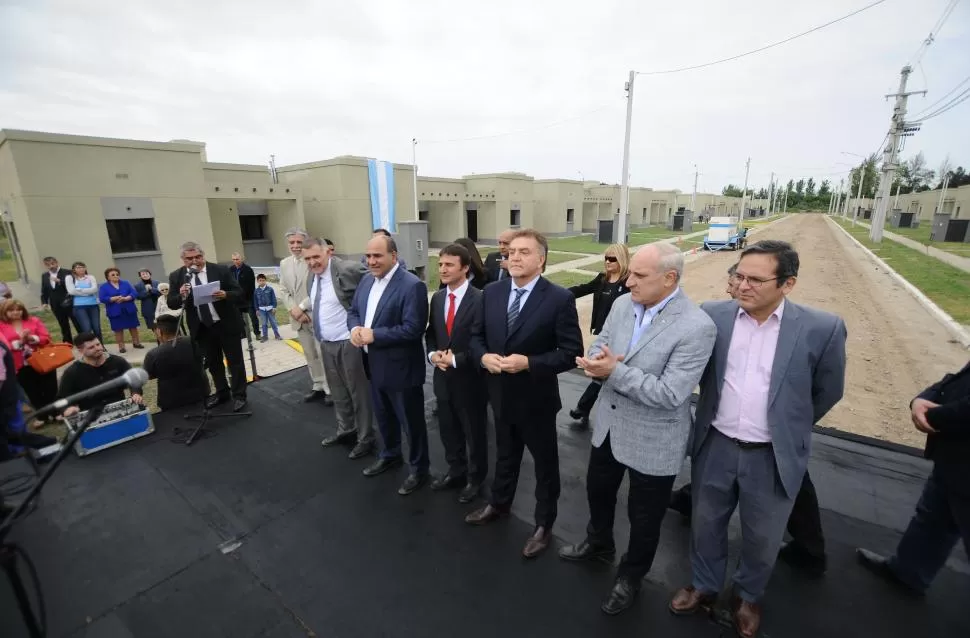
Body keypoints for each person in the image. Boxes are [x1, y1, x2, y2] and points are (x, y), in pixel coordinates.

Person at [669, 240, 847, 638]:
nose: (742, 286)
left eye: (754, 279)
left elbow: (828, 391)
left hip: (771, 456)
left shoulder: (822, 328)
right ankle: (704, 585)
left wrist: (787, 426)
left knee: (763, 536)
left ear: (788, 284)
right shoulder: (713, 316)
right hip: (714, 444)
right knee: (705, 524)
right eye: (738, 276)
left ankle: (748, 596)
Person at [560, 243, 716, 615]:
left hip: (654, 439)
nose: (629, 281)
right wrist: (596, 358)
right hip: (610, 428)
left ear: (670, 278)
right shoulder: (622, 304)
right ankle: (598, 543)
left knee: (644, 517)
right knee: (598, 492)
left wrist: (614, 371)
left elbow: (670, 393)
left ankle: (630, 576)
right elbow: (602, 342)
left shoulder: (696, 327)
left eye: (639, 276)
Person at [466, 229, 583, 558]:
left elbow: (570, 352)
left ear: (541, 260)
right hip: (500, 395)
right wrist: (482, 357)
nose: (514, 257)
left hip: (536, 401)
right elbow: (476, 338)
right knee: (505, 456)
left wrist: (529, 363)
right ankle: (499, 504)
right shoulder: (491, 292)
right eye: (511, 252)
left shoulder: (559, 298)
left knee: (545, 466)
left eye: (524, 252)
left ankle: (544, 524)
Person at [855, 361, 970, 596]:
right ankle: (908, 573)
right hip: (956, 458)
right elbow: (960, 378)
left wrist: (931, 414)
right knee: (934, 516)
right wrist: (922, 399)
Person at [348, 233, 430, 495]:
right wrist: (355, 329)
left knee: (411, 422)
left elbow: (413, 329)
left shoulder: (411, 286)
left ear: (393, 256)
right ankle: (390, 454)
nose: (371, 261)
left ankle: (419, 469)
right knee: (383, 416)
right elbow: (353, 312)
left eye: (377, 256)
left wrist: (375, 335)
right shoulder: (365, 280)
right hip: (373, 364)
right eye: (368, 256)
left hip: (402, 370)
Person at [425, 243, 488, 503]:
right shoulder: (438, 298)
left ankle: (476, 479)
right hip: (443, 379)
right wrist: (432, 355)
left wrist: (456, 360)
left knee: (474, 432)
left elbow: (485, 341)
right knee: (448, 430)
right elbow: (431, 335)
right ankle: (456, 470)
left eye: (449, 265)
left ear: (465, 268)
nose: (443, 269)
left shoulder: (481, 299)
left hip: (470, 381)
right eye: (440, 264)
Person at [302, 237, 375, 459]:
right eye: (308, 258)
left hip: (349, 342)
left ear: (328, 253)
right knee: (338, 392)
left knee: (358, 393)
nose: (313, 262)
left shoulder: (347, 269)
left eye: (316, 256)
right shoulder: (311, 278)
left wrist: (367, 324)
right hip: (326, 342)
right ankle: (346, 430)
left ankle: (366, 438)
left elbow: (375, 284)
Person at [167, 241, 248, 412]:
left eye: (198, 257)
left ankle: (240, 395)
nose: (195, 261)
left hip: (225, 323)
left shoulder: (220, 270)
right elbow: (171, 303)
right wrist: (181, 294)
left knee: (235, 361)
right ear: (183, 259)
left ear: (203, 256)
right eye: (189, 258)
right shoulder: (177, 276)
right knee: (213, 363)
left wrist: (225, 294)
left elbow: (239, 292)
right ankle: (222, 392)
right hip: (202, 327)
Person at [567, 243, 631, 429]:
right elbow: (582, 289)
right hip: (603, 333)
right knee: (603, 373)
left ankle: (583, 408)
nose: (607, 262)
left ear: (622, 259)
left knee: (602, 373)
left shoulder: (628, 283)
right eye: (606, 258)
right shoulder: (602, 279)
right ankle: (585, 408)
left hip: (621, 335)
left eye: (612, 259)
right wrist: (558, 294)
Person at [279, 227, 332, 405]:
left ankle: (330, 389)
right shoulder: (284, 263)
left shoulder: (313, 261)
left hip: (315, 314)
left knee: (322, 353)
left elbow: (320, 287)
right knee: (309, 354)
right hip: (297, 318)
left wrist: (301, 308)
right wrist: (293, 310)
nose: (295, 246)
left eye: (298, 242)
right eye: (291, 242)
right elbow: (284, 290)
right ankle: (317, 384)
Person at [58, 332, 144, 417]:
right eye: (91, 347)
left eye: (98, 344)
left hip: (120, 410)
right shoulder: (72, 372)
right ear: (80, 351)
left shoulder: (117, 361)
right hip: (90, 415)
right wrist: (67, 409)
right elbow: (63, 397)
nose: (97, 348)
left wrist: (135, 393)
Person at [0, 300, 57, 424]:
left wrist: (31, 338)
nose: (16, 312)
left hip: (42, 360)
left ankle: (56, 412)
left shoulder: (34, 320)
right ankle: (42, 416)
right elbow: (3, 346)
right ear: (4, 312)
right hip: (20, 364)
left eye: (18, 309)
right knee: (32, 391)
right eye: (11, 310)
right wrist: (19, 342)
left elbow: (46, 338)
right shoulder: (1, 326)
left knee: (50, 388)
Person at [142, 314, 208, 412]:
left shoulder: (154, 354)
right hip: (202, 395)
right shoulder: (195, 342)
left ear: (159, 332)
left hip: (172, 402)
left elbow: (146, 376)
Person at [99, 267, 143, 353]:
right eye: (113, 275)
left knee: (133, 327)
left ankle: (136, 343)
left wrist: (126, 298)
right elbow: (102, 298)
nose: (116, 276)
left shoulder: (126, 283)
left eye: (117, 274)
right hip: (115, 311)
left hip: (129, 309)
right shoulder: (104, 287)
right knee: (118, 329)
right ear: (108, 277)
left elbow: (134, 293)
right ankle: (121, 347)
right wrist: (113, 298)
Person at [39, 256, 79, 343]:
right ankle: (68, 342)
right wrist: (44, 302)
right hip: (55, 305)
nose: (51, 266)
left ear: (57, 262)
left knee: (76, 322)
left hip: (69, 302)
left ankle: (82, 340)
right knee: (63, 324)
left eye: (52, 264)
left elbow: (73, 286)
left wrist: (59, 281)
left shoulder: (67, 272)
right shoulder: (45, 276)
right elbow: (44, 290)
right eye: (48, 265)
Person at [65, 261, 102, 342]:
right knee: (87, 328)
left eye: (83, 267)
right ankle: (90, 346)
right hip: (79, 306)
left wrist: (79, 290)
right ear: (74, 270)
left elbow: (94, 289)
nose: (81, 269)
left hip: (93, 305)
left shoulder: (90, 277)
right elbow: (71, 291)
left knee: (97, 328)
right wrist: (87, 292)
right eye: (78, 267)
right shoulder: (70, 278)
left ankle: (101, 346)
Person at [230, 252, 259, 337]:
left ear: (241, 259)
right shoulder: (230, 270)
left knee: (253, 317)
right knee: (239, 319)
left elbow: (251, 285)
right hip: (236, 299)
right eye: (234, 259)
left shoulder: (248, 269)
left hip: (248, 298)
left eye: (237, 259)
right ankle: (244, 334)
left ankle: (257, 333)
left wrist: (245, 295)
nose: (236, 261)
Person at [253, 274, 281, 341]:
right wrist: (257, 310)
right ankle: (265, 336)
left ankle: (277, 335)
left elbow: (274, 298)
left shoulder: (270, 289)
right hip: (261, 309)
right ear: (257, 281)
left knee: (273, 322)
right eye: (260, 280)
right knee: (264, 323)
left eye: (263, 280)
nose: (262, 282)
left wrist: (274, 307)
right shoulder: (256, 291)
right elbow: (255, 301)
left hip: (270, 309)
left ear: (266, 281)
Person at [134, 269, 162, 334]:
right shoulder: (137, 285)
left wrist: (152, 289)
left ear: (150, 274)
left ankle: (164, 342)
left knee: (162, 326)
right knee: (153, 326)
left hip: (159, 307)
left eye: (146, 273)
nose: (145, 275)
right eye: (143, 274)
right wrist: (146, 291)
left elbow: (161, 292)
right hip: (148, 309)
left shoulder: (157, 282)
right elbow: (138, 297)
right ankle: (159, 341)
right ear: (140, 276)